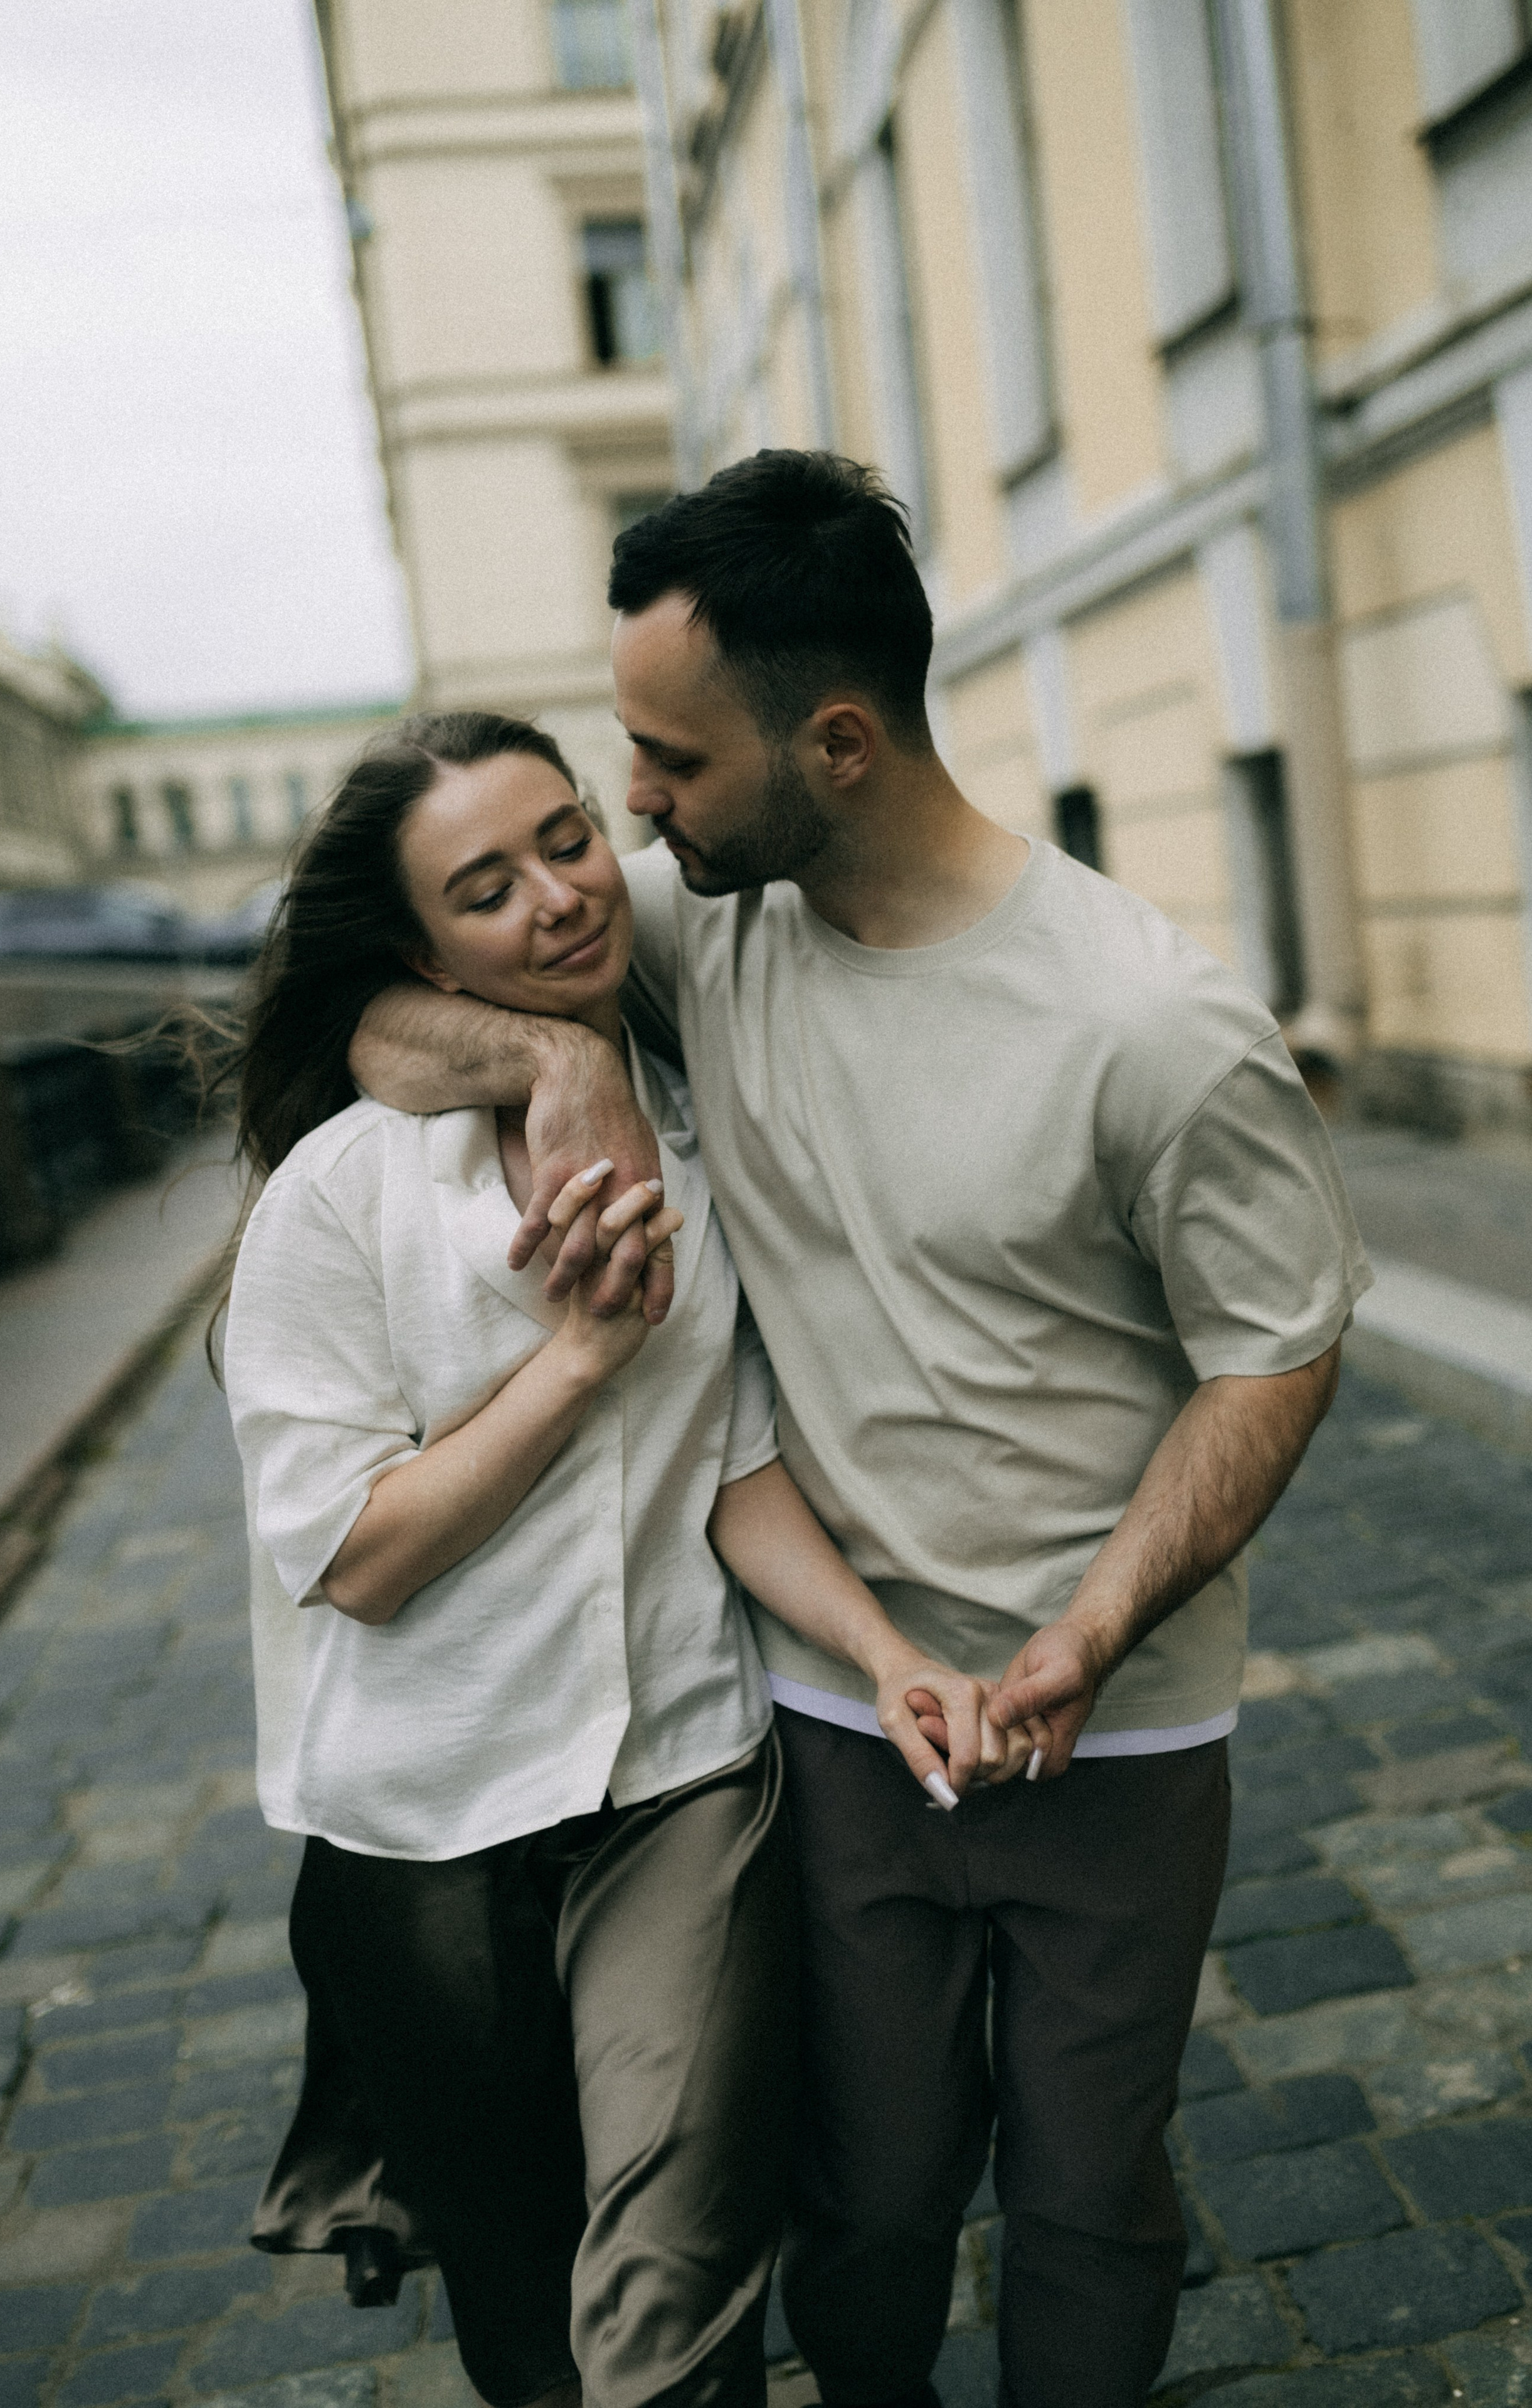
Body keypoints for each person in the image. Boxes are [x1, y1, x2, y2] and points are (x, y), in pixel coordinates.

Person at [349, 456, 1371, 2408]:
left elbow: (1273, 1357)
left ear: (836, 741)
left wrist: (1091, 1633)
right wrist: (561, 1052)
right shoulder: (708, 924)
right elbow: (385, 1021)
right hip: (830, 1720)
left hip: (1125, 1728)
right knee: (871, 2199)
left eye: (665, 760)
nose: (628, 807)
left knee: (1089, 2196)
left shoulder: (1151, 1023)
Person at [219, 707, 1009, 2408]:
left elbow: (729, 1471)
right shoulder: (340, 1202)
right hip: (421, 1824)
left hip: (680, 1776)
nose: (558, 899)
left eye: (567, 840)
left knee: (667, 2305)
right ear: (422, 947)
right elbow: (357, 1556)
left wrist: (888, 1657)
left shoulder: (692, 1132)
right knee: (525, 2326)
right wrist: (573, 1359)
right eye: (484, 888)